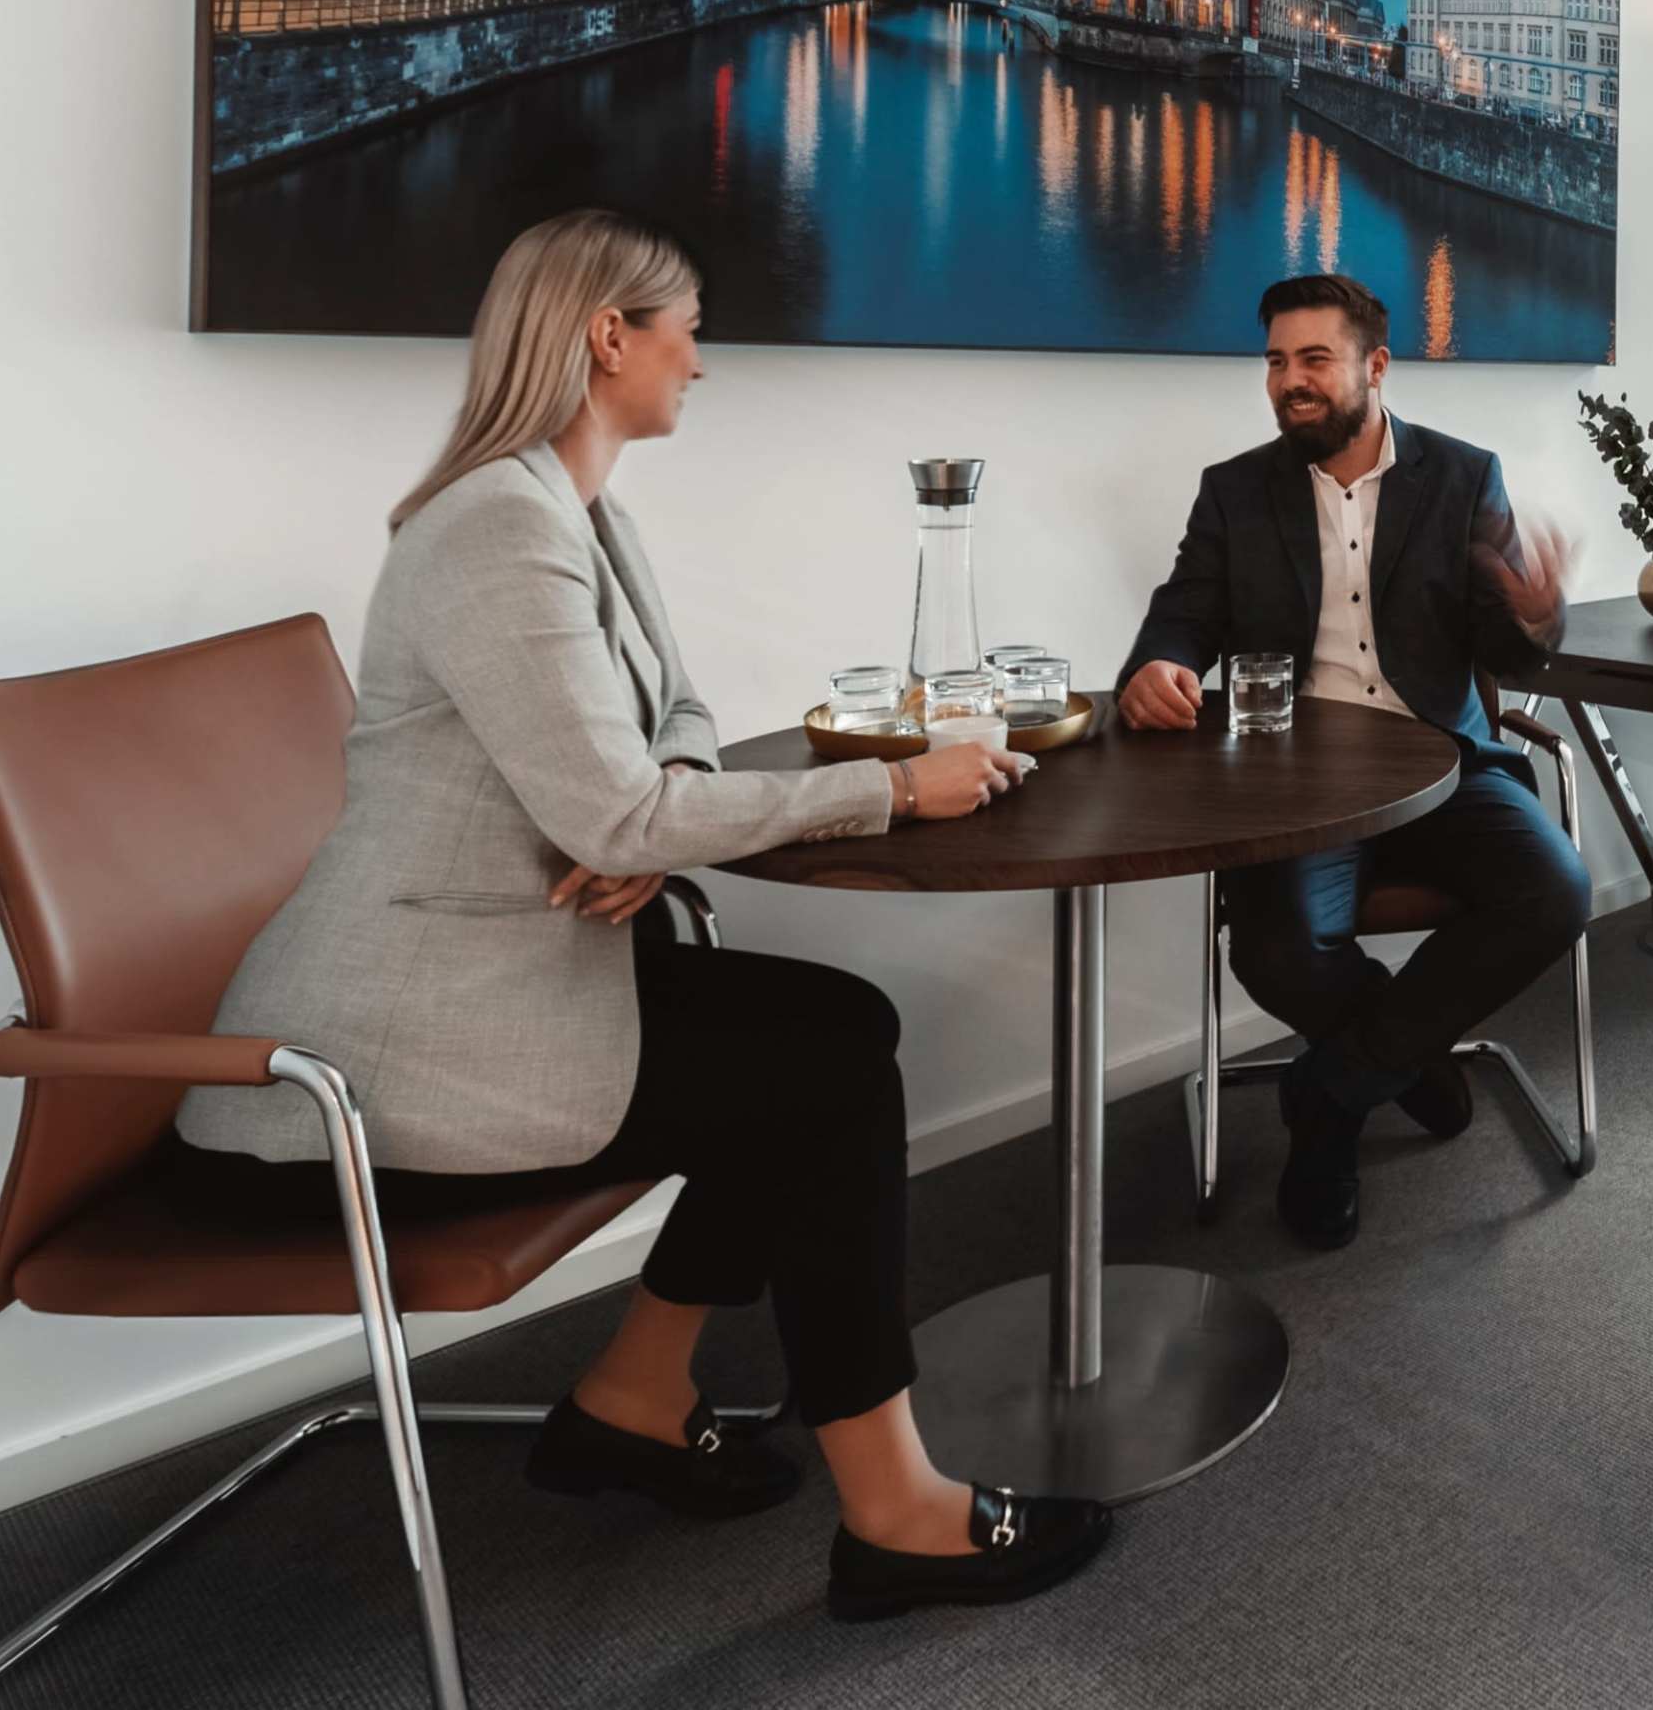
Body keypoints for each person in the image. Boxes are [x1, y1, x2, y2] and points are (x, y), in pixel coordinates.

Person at [164, 210, 1112, 1619]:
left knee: (827, 1032)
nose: (701, 362)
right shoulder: (497, 526)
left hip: (504, 985)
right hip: (370, 1066)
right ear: (610, 335)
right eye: (689, 327)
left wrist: (642, 815)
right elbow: (622, 805)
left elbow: (677, 731)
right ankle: (895, 1507)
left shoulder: (581, 511)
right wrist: (890, 790)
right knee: (822, 1068)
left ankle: (636, 1390)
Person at [1118, 272, 1588, 1249]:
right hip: (1297, 778)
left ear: (1375, 367)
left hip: (1445, 762)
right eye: (1277, 362)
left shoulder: (1463, 477)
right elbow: (1186, 611)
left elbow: (1504, 650)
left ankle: (1329, 1100)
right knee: (1276, 950)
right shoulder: (1236, 491)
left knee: (1556, 891)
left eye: (1314, 360)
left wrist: (1538, 616)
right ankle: (1406, 1061)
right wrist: (1159, 663)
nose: (1291, 380)